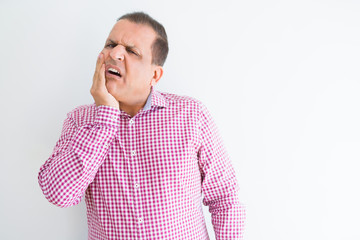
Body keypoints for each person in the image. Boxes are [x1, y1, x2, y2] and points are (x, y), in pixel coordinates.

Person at [38, 11, 246, 240]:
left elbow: (225, 199)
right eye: (111, 44)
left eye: (131, 51)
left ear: (154, 75)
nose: (114, 53)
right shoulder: (79, 121)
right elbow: (59, 194)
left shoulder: (191, 115)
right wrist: (105, 117)